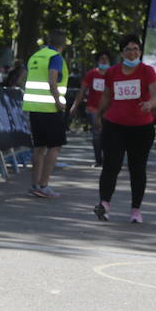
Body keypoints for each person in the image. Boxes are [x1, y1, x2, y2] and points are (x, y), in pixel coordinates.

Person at [94, 34, 156, 223]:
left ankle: (135, 210)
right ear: (122, 52)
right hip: (114, 126)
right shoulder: (113, 72)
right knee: (110, 166)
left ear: (140, 52)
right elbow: (106, 97)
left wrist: (150, 104)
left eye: (136, 49)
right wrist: (99, 115)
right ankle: (104, 204)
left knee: (137, 169)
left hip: (141, 128)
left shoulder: (147, 71)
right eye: (128, 49)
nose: (132, 53)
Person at [23, 30, 67, 197]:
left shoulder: (36, 56)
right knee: (55, 146)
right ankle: (44, 185)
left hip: (34, 107)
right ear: (63, 45)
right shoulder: (55, 57)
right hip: (50, 109)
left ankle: (35, 184)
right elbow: (52, 80)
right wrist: (58, 101)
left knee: (39, 147)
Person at [72, 50, 112, 167]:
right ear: (98, 61)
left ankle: (108, 159)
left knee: (109, 134)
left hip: (110, 109)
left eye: (106, 59)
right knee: (97, 133)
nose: (104, 61)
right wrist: (75, 105)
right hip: (93, 108)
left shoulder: (113, 73)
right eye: (101, 59)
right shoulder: (91, 74)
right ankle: (99, 160)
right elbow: (82, 90)